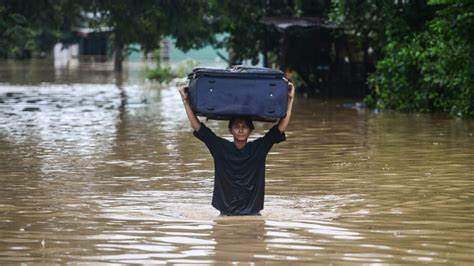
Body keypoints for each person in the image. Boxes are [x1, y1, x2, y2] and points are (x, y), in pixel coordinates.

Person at [179, 82, 295, 216]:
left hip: (253, 214)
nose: (240, 130)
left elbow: (280, 128)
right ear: (230, 130)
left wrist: (290, 99)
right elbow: (197, 126)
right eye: (236, 126)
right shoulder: (220, 148)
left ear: (250, 131)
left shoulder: (259, 148)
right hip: (226, 214)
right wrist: (185, 100)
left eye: (244, 126)